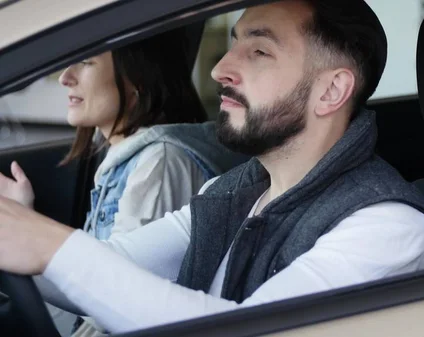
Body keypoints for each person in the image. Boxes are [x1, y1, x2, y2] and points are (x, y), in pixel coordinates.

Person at [0, 0, 424, 334]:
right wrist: (20, 234)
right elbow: (111, 266)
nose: (220, 68)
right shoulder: (233, 190)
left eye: (258, 51)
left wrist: (46, 242)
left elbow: (240, 329)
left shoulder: (386, 228)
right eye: (233, 43)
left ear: (330, 92)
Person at [0, 30, 248, 336]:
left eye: (86, 62)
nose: (66, 77)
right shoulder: (122, 156)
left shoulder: (160, 163)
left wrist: (23, 230)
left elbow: (113, 303)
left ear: (137, 80)